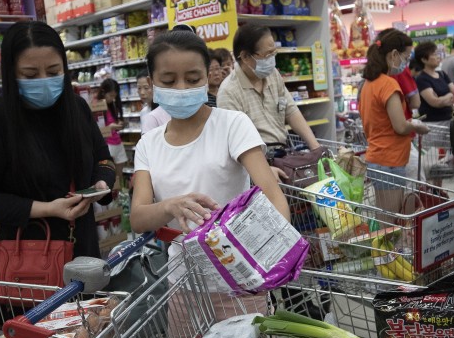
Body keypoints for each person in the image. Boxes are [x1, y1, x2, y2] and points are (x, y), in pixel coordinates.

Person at [130, 29, 288, 319]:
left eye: (192, 79)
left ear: (208, 76)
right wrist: (169, 206)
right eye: (168, 81)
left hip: (240, 281)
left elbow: (271, 193)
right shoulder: (148, 144)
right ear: (152, 83)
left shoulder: (231, 125)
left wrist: (274, 253)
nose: (180, 88)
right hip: (183, 286)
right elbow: (138, 217)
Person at [0, 21, 116, 260]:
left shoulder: (77, 108)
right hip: (26, 263)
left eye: (54, 72)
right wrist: (47, 209)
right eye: (31, 75)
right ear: (11, 73)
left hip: (83, 252)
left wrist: (100, 185)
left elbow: (103, 160)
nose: (44, 81)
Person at [217, 23, 320, 152]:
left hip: (282, 152)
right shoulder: (229, 92)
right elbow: (234, 142)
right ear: (245, 57)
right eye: (268, 55)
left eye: (274, 53)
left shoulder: (273, 74)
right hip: (256, 161)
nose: (272, 59)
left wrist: (315, 146)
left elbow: (291, 110)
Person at [359, 30, 430, 213]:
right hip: (389, 159)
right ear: (394, 55)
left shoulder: (369, 83)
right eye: (405, 58)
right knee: (390, 224)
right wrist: (415, 125)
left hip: (380, 156)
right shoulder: (388, 84)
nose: (406, 64)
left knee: (388, 218)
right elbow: (400, 126)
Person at [414, 41, 454, 122]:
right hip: (433, 123)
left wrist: (442, 98)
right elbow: (435, 102)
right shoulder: (422, 79)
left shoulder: (442, 74)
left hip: (449, 119)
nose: (438, 57)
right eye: (434, 54)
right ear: (424, 59)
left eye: (437, 53)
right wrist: (449, 95)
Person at [98, 78, 127, 170]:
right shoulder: (97, 107)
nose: (113, 99)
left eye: (114, 96)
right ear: (103, 92)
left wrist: (119, 124)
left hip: (117, 142)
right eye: (110, 96)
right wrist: (110, 128)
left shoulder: (112, 106)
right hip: (107, 144)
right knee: (110, 174)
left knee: (119, 174)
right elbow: (96, 132)